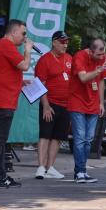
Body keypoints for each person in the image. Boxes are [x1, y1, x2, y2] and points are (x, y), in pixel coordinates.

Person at [0, 19, 32, 188]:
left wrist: (20, 83)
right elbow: (25, 65)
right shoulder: (6, 46)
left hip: (3, 99)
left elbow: (6, 72)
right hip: (2, 101)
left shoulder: (3, 46)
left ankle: (1, 176)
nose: (25, 37)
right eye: (23, 33)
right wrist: (28, 51)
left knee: (1, 141)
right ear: (14, 32)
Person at [67, 37, 106, 183]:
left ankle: (83, 171)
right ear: (90, 51)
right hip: (77, 101)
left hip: (93, 104)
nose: (101, 57)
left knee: (89, 139)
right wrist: (98, 71)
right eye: (98, 55)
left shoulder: (102, 57)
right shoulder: (79, 56)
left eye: (103, 54)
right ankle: (78, 172)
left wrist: (101, 103)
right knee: (80, 138)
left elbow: (102, 80)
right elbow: (83, 78)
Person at [34, 31, 72, 180]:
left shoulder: (69, 58)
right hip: (50, 104)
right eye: (62, 42)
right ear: (54, 42)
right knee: (45, 135)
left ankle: (50, 167)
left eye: (66, 42)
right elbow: (40, 85)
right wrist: (46, 106)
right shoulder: (45, 60)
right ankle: (41, 167)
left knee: (57, 137)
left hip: (66, 105)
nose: (65, 44)